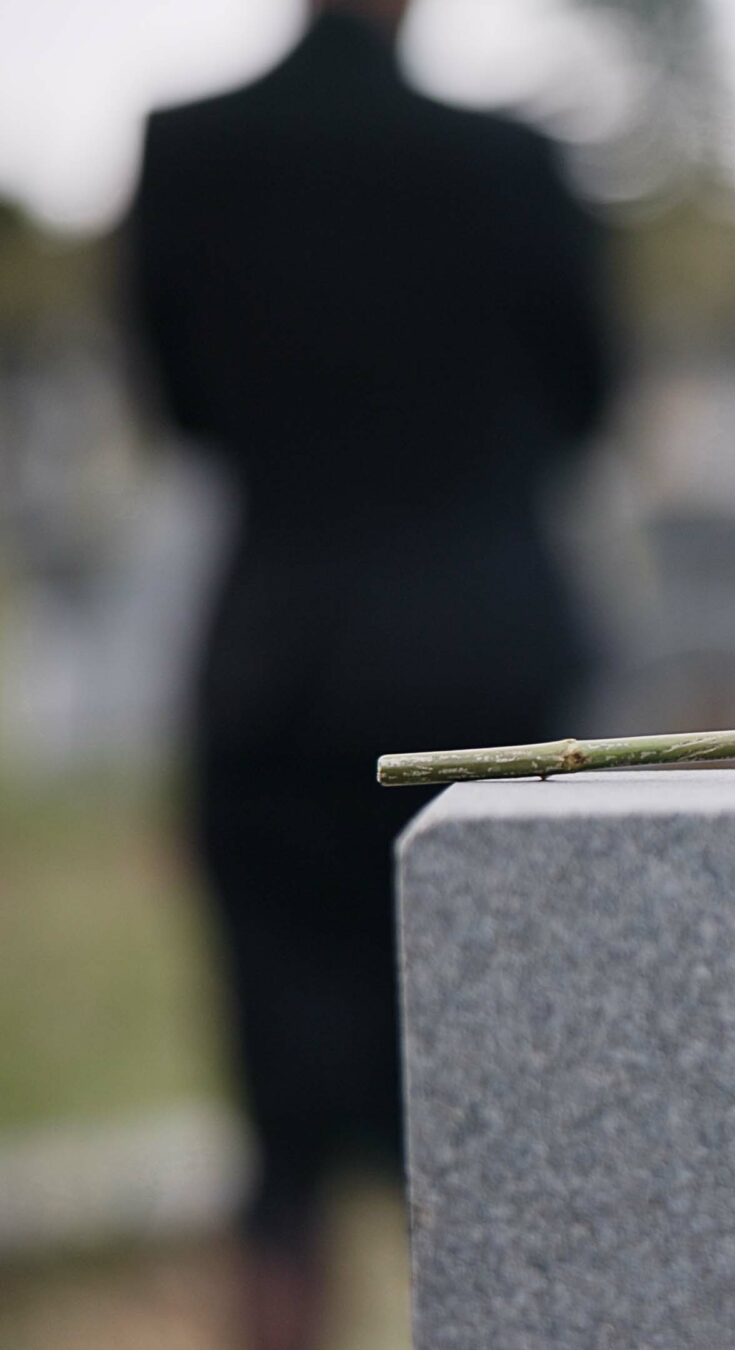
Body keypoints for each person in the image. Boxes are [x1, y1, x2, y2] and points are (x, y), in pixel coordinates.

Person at [121, 1, 616, 1345]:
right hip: (487, 668)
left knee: (279, 1143)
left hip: (281, 663)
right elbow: (585, 397)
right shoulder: (511, 161)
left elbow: (180, 405)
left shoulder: (189, 148)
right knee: (495, 1117)